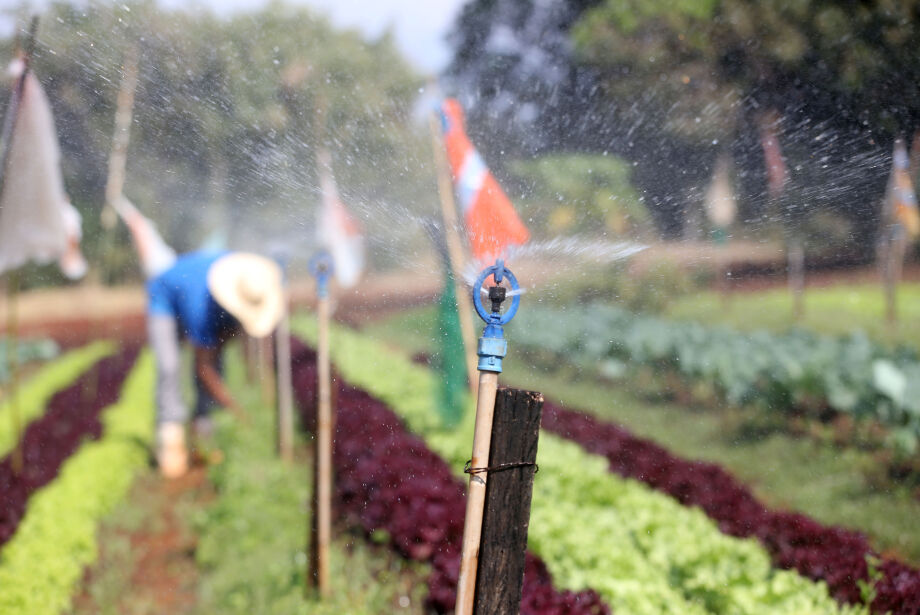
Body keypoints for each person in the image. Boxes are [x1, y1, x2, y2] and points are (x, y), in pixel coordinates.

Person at [147, 250, 283, 478]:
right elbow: (203, 367)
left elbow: (216, 348)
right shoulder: (200, 307)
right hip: (165, 299)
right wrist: (232, 406)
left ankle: (204, 433)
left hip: (201, 298)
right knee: (169, 366)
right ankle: (171, 439)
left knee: (215, 360)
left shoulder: (244, 278)